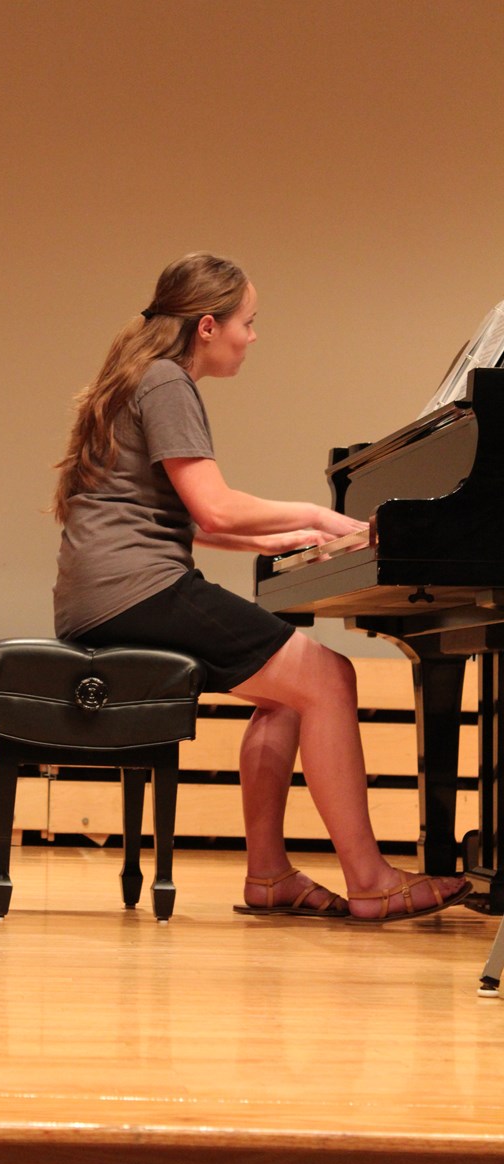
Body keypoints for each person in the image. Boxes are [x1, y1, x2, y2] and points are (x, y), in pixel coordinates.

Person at [51, 252, 471, 924]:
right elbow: (214, 508)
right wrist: (315, 517)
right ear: (207, 325)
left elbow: (172, 517)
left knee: (287, 696)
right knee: (329, 677)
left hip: (101, 594)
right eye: (247, 321)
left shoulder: (138, 376)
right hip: (136, 590)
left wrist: (274, 541)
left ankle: (269, 875)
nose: (253, 335)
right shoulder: (166, 382)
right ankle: (371, 881)